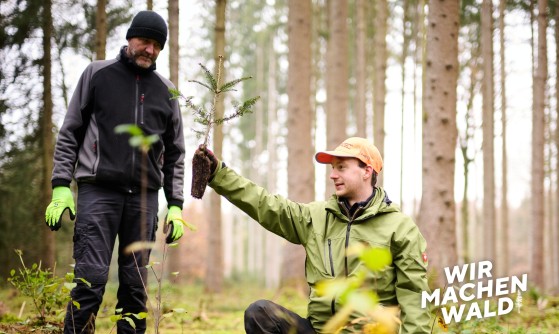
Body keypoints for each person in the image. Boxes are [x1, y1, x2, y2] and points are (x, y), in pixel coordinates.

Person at [195, 137, 432, 333]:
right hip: (319, 330)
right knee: (260, 314)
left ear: (366, 171)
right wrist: (219, 174)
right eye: (332, 168)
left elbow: (415, 297)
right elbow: (267, 206)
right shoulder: (317, 216)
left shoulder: (400, 228)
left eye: (341, 167)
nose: (333, 175)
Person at [44, 10, 186, 334]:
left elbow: (175, 152)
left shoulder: (167, 91)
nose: (149, 49)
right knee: (90, 280)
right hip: (98, 191)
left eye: (156, 45)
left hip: (145, 199)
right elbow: (71, 132)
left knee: (136, 287)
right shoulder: (97, 74)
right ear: (129, 38)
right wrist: (60, 185)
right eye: (144, 41)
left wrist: (176, 204)